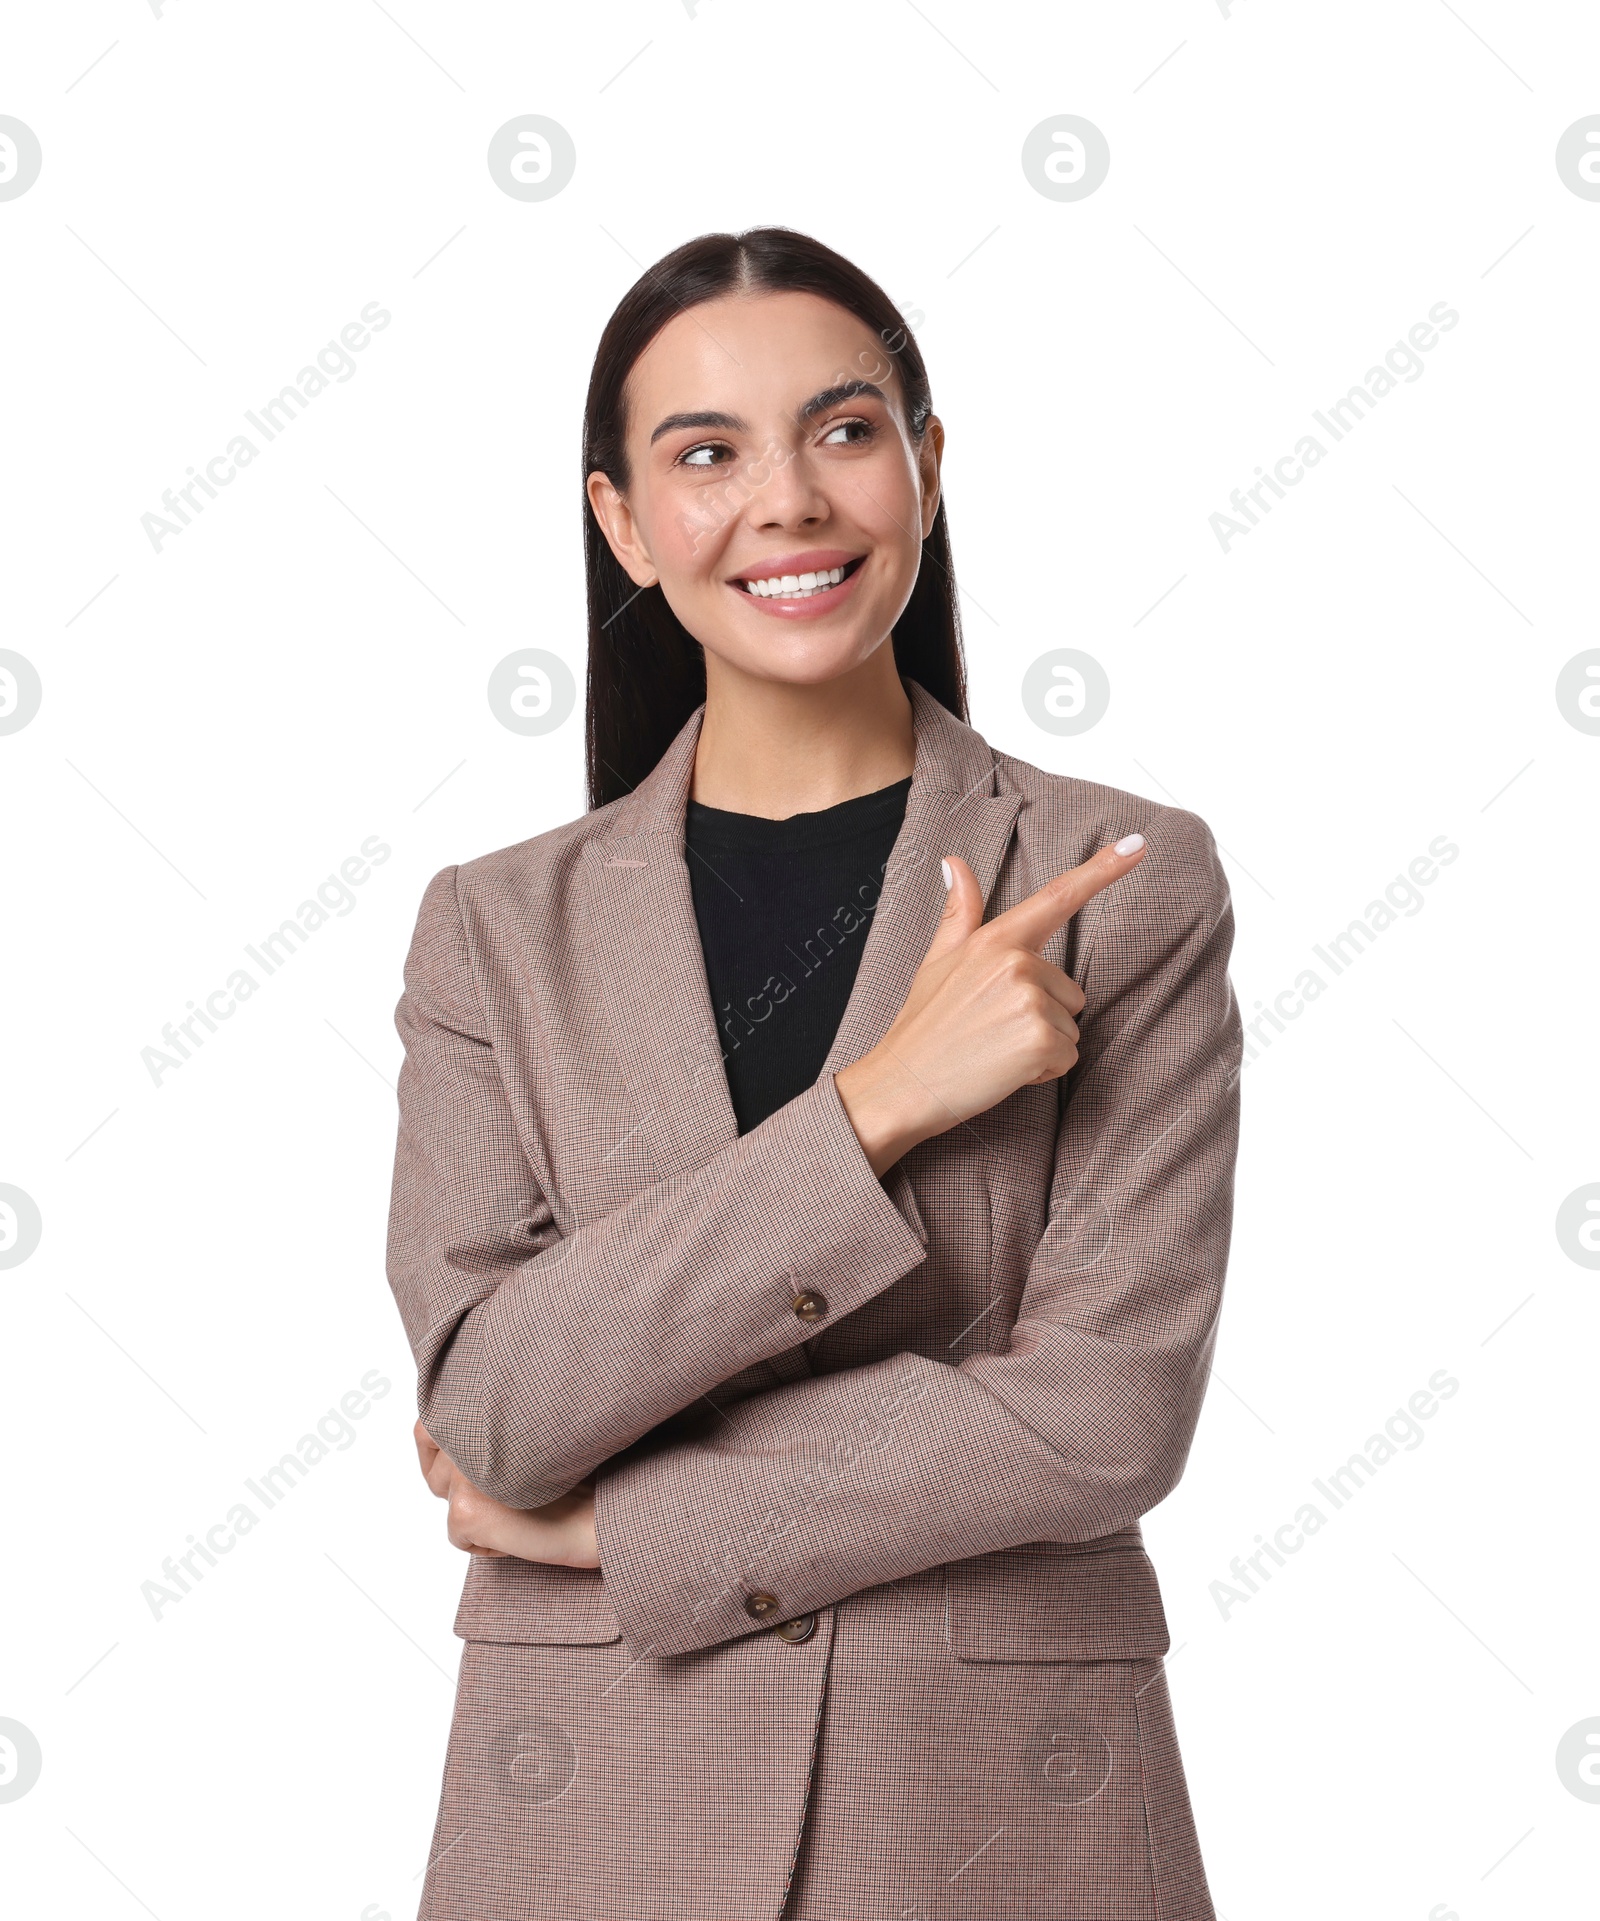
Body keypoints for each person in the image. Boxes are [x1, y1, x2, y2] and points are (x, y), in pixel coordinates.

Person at [385, 225, 1243, 1921]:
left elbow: (1103, 1414)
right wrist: (883, 1105)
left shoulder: (1116, 880)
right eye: (706, 454)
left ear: (923, 469)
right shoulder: (495, 930)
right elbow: (492, 1403)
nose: (789, 500)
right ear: (623, 521)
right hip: (590, 1810)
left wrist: (623, 1530)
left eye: (844, 432)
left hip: (990, 1812)